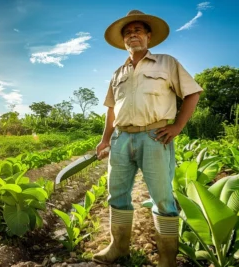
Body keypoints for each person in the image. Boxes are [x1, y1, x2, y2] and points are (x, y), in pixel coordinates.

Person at [93, 10, 203, 267]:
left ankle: (167, 258)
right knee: (116, 194)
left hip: (154, 136)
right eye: (128, 33)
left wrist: (177, 126)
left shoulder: (167, 63)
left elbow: (192, 93)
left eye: (138, 31)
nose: (133, 35)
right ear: (123, 41)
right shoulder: (117, 72)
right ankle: (118, 247)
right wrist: (105, 139)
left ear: (148, 36)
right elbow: (111, 109)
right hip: (121, 138)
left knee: (162, 197)